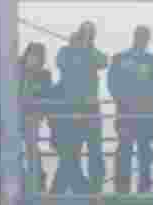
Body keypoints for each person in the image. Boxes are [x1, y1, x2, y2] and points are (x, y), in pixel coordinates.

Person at [51, 22, 107, 194]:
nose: (87, 36)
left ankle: (95, 188)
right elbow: (60, 63)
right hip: (72, 109)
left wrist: (88, 48)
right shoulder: (66, 52)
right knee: (71, 152)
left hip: (91, 110)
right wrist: (75, 47)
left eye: (91, 33)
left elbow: (104, 61)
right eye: (84, 32)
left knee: (95, 151)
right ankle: (70, 188)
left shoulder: (93, 53)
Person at [108, 26, 153, 194]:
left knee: (145, 150)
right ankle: (121, 187)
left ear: (148, 39)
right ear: (134, 37)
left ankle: (144, 185)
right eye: (140, 36)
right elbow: (112, 83)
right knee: (124, 148)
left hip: (145, 113)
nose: (142, 39)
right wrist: (123, 101)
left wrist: (148, 103)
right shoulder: (119, 58)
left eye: (145, 37)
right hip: (125, 112)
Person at [20, 42, 55, 193]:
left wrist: (42, 115)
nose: (34, 60)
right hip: (13, 115)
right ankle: (21, 180)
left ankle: (37, 181)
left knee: (31, 148)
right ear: (26, 55)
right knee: (13, 148)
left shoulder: (44, 75)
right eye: (32, 55)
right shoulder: (16, 70)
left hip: (32, 116)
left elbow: (47, 97)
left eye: (38, 57)